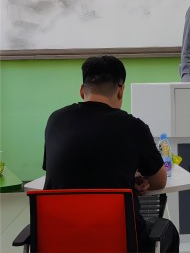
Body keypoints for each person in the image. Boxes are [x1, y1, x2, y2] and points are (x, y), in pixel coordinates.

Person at [43, 55, 179, 252]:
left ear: (82, 90)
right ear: (121, 91)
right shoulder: (134, 127)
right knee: (168, 231)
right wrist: (132, 177)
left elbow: (63, 172)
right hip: (119, 239)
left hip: (60, 238)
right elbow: (159, 181)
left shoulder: (55, 120)